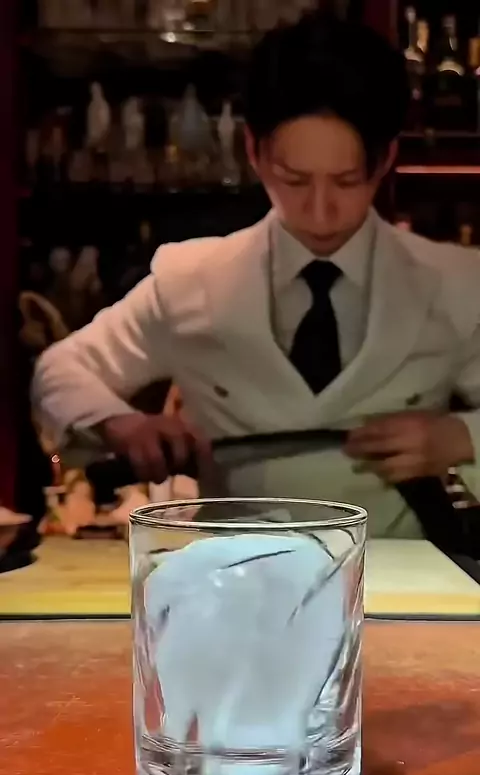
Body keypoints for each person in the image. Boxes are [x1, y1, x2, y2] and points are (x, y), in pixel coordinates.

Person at [33, 12, 480, 538]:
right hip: (235, 567)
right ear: (253, 151)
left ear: (384, 161)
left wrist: (458, 438)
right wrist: (120, 423)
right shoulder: (191, 280)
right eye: (293, 179)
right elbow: (60, 370)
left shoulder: (453, 282)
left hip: (400, 573)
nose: (319, 211)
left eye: (345, 181)